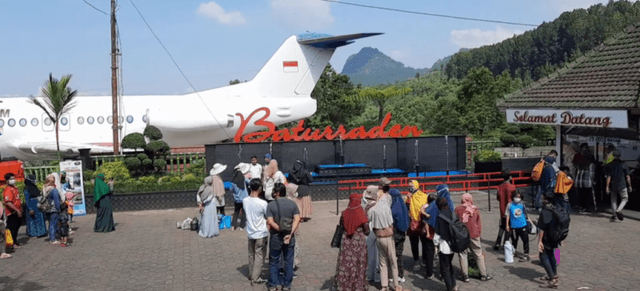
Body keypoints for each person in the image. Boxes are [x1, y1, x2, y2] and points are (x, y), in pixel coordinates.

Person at [366, 184, 402, 291]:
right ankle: (396, 284)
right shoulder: (387, 209)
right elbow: (391, 223)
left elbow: (369, 222)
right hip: (388, 236)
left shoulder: (372, 210)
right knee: (393, 261)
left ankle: (384, 286)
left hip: (378, 236)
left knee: (382, 263)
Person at [266, 182, 301, 291]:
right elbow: (297, 219)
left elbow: (270, 221)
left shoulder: (271, 205)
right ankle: (286, 285)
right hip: (289, 237)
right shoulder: (292, 204)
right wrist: (290, 233)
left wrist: (279, 228)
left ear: (277, 192)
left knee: (274, 260)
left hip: (276, 237)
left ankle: (273, 284)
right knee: (288, 260)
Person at [334, 193, 370, 291]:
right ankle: (357, 286)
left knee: (346, 263)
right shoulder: (361, 212)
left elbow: (342, 225)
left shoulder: (344, 212)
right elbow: (367, 231)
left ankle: (344, 285)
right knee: (359, 263)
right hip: (358, 242)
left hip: (346, 241)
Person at [456, 193, 492, 282]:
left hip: (462, 235)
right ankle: (484, 275)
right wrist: (479, 234)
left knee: (463, 254)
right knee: (478, 254)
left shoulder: (457, 209)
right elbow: (478, 224)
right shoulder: (475, 209)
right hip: (474, 234)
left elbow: (455, 223)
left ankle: (465, 276)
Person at [243, 178, 269, 286]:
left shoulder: (245, 200)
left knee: (251, 254)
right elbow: (267, 216)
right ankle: (256, 277)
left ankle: (251, 273)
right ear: (259, 189)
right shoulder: (263, 203)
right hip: (261, 232)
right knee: (260, 255)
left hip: (250, 232)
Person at [433, 197, 458, 291]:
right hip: (453, 245)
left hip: (444, 246)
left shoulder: (439, 217)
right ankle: (454, 285)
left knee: (445, 268)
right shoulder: (452, 213)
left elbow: (437, 235)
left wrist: (435, 245)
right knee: (450, 265)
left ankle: (449, 288)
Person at [537, 193, 560, 289]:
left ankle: (552, 279)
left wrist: (540, 242)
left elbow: (542, 228)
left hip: (547, 237)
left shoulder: (544, 211)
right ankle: (554, 274)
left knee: (543, 256)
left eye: (543, 198)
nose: (542, 199)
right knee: (551, 255)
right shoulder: (555, 208)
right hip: (555, 236)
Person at [406, 180, 429, 272]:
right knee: (414, 243)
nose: (410, 188)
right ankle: (416, 261)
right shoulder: (408, 197)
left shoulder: (424, 196)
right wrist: (408, 200)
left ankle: (424, 260)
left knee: (424, 242)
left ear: (416, 186)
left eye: (412, 186)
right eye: (409, 186)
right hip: (412, 223)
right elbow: (406, 209)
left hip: (422, 222)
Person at [505, 191, 533, 262]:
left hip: (523, 225)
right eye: (516, 197)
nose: (517, 198)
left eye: (519, 197)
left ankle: (526, 254)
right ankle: (514, 251)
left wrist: (531, 223)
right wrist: (507, 225)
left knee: (525, 240)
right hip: (514, 226)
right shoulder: (510, 205)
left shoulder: (522, 204)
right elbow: (507, 215)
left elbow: (525, 214)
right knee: (514, 240)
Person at [604, 150, 631, 221]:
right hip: (622, 184)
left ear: (613, 156)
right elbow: (627, 177)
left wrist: (607, 186)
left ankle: (615, 215)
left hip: (613, 185)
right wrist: (630, 185)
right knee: (625, 198)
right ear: (620, 156)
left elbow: (608, 177)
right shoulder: (624, 164)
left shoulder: (610, 165)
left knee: (613, 200)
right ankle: (619, 210)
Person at [389, 188, 409, 283]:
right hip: (402, 233)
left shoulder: (393, 208)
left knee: (392, 255)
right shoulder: (403, 206)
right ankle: (401, 275)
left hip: (394, 233)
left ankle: (393, 275)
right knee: (399, 254)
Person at [362, 188, 380, 283]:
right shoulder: (379, 204)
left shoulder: (366, 206)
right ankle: (377, 277)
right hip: (377, 228)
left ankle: (370, 275)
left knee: (370, 254)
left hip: (369, 229)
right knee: (378, 255)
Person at [418, 194, 438, 280]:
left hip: (423, 232)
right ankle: (430, 270)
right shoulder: (435, 209)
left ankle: (425, 265)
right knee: (432, 251)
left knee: (426, 248)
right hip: (432, 233)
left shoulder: (425, 207)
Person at [494, 170, 514, 250]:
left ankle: (497, 243)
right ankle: (506, 242)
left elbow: (498, 198)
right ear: (509, 177)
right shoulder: (512, 187)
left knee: (502, 227)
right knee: (509, 228)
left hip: (502, 209)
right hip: (510, 210)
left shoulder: (500, 187)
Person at [2, 173, 23, 249]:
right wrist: (17, 210)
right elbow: (8, 202)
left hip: (17, 210)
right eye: (11, 179)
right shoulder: (8, 190)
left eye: (14, 178)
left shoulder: (14, 188)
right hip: (12, 212)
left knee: (17, 227)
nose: (13, 180)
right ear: (7, 180)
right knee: (12, 228)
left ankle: (15, 241)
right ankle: (11, 243)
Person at [575, 144, 596, 213]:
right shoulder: (590, 163)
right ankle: (586, 208)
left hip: (579, 181)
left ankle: (581, 207)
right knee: (587, 196)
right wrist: (593, 181)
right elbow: (591, 174)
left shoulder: (580, 162)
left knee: (581, 195)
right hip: (587, 182)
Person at [230, 163, 250, 231]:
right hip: (244, 199)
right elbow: (249, 182)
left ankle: (233, 226)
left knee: (236, 212)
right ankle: (242, 226)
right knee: (244, 213)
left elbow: (231, 189)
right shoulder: (244, 179)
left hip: (237, 200)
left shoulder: (233, 182)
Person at [43, 174, 62, 243]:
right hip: (53, 209)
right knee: (53, 224)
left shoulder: (44, 188)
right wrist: (59, 209)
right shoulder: (54, 190)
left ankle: (51, 236)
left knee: (50, 223)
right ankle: (53, 239)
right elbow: (57, 201)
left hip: (46, 208)